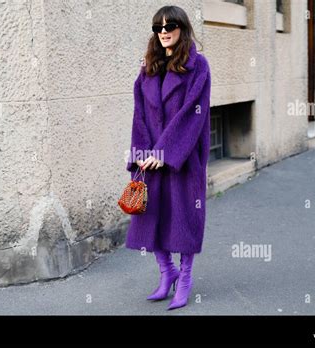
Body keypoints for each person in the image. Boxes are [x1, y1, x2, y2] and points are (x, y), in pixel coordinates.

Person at [125, 5, 211, 310]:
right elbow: (140, 115)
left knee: (184, 219)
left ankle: (185, 279)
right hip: (150, 159)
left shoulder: (197, 66)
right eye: (157, 27)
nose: (163, 31)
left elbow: (193, 114)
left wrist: (165, 152)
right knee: (150, 217)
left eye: (170, 26)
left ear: (182, 28)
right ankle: (167, 273)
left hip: (183, 157)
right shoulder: (147, 68)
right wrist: (142, 154)